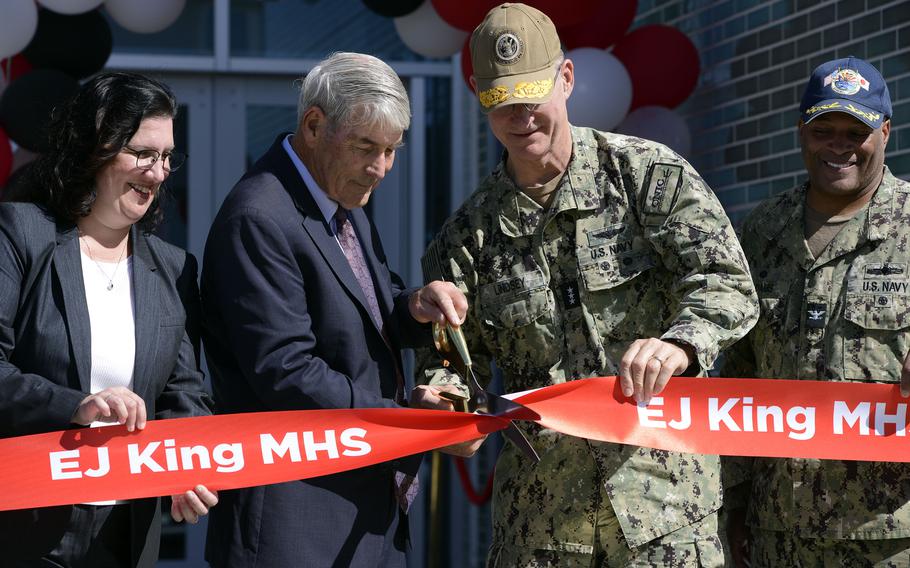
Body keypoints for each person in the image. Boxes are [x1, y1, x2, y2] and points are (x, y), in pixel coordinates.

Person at [416, 3, 759, 566]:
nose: (520, 116)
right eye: (501, 100)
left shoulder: (647, 175)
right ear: (479, 94)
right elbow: (453, 361)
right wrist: (448, 410)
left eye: (532, 94)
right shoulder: (468, 235)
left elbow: (726, 281)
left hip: (666, 512)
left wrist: (679, 343)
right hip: (541, 527)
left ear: (567, 78)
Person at [201, 51, 468, 567]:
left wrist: (415, 306)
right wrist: (408, 421)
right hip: (295, 520)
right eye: (366, 147)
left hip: (362, 510)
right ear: (314, 124)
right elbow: (285, 371)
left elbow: (364, 317)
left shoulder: (341, 195)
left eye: (392, 151)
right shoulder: (258, 214)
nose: (380, 168)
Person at [0, 71, 218, 567]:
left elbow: (185, 393)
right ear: (94, 148)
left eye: (166, 157)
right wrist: (77, 405)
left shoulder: (175, 267)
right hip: (25, 528)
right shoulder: (18, 235)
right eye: (144, 153)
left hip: (126, 533)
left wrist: (185, 468)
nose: (159, 173)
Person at [722, 57, 910, 566]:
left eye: (856, 130)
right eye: (823, 129)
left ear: (886, 132)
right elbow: (738, 375)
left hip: (890, 534)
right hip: (776, 527)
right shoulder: (762, 230)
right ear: (801, 131)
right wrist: (734, 503)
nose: (838, 145)